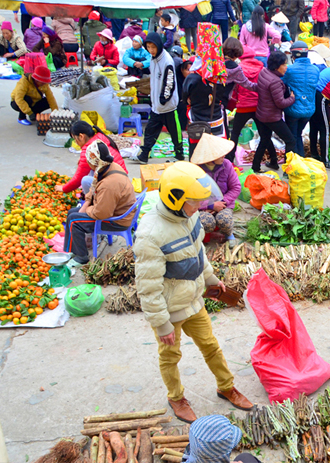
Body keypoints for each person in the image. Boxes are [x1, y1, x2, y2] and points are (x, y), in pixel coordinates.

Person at [134, 162, 254, 423]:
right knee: (170, 356)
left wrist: (211, 278)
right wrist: (161, 323)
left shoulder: (189, 217)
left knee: (211, 346)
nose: (197, 206)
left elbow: (198, 253)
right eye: (193, 202)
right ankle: (176, 397)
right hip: (170, 309)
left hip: (194, 299)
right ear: (174, 198)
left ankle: (226, 387)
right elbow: (148, 286)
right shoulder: (150, 234)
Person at [63, 141, 135, 266]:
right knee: (71, 213)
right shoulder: (106, 166)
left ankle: (82, 257)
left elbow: (101, 213)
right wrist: (87, 202)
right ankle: (72, 250)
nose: (88, 163)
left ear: (95, 161)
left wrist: (87, 208)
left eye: (89, 161)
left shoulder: (109, 184)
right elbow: (93, 187)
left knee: (75, 220)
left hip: (117, 221)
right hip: (116, 209)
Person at [129, 32, 183, 164]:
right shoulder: (153, 59)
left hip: (168, 106)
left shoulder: (167, 61)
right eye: (148, 47)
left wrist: (163, 99)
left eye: (153, 47)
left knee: (175, 133)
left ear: (159, 46)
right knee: (150, 131)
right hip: (156, 106)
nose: (151, 50)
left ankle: (180, 155)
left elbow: (169, 82)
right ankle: (144, 155)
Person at [190, 135, 241, 244]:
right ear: (210, 157)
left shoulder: (227, 165)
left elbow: (236, 187)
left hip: (224, 205)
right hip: (202, 207)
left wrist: (223, 202)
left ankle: (228, 233)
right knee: (206, 222)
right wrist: (210, 205)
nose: (224, 155)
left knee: (225, 220)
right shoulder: (196, 170)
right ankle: (202, 238)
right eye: (219, 154)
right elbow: (191, 196)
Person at [251, 50, 296, 172]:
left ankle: (261, 165)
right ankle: (289, 170)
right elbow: (281, 103)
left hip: (261, 114)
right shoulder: (275, 81)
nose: (286, 67)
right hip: (271, 117)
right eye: (285, 64)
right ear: (277, 66)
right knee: (290, 140)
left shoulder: (264, 72)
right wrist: (292, 98)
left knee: (265, 139)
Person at [63, 121, 129, 194]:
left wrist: (63, 188)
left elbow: (78, 179)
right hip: (124, 179)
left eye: (75, 139)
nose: (76, 142)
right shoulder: (99, 138)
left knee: (85, 180)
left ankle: (93, 199)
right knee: (89, 167)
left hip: (115, 186)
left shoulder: (88, 150)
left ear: (81, 136)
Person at [282, 41, 319, 157]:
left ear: (294, 55)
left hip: (293, 109)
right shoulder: (316, 70)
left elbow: (282, 83)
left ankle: (293, 165)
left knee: (292, 137)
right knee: (298, 134)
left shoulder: (289, 70)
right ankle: (300, 161)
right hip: (309, 110)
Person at [228, 43, 264, 158]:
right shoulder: (261, 68)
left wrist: (234, 100)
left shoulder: (238, 69)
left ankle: (230, 159)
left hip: (243, 106)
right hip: (258, 105)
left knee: (235, 133)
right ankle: (273, 159)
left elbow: (235, 88)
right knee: (264, 134)